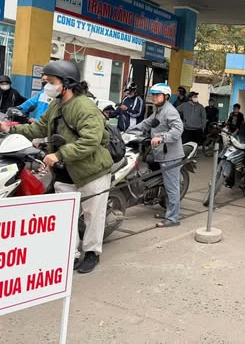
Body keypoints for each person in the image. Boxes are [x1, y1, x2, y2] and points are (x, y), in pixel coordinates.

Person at [0, 61, 113, 273]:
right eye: (45, 82)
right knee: (66, 216)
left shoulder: (85, 107)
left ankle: (92, 253)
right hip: (64, 171)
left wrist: (59, 154)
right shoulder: (56, 105)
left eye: (50, 82)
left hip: (91, 171)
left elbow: (91, 141)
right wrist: (10, 129)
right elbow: (38, 128)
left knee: (92, 215)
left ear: (67, 83)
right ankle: (71, 253)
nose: (47, 86)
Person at [127, 83, 184, 227]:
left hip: (170, 155)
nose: (154, 97)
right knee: (166, 185)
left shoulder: (169, 111)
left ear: (166, 96)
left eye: (157, 95)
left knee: (172, 187)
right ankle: (170, 212)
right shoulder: (158, 110)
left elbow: (178, 129)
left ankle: (173, 218)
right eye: (153, 95)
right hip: (161, 153)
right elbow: (147, 123)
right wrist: (128, 131)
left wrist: (162, 137)